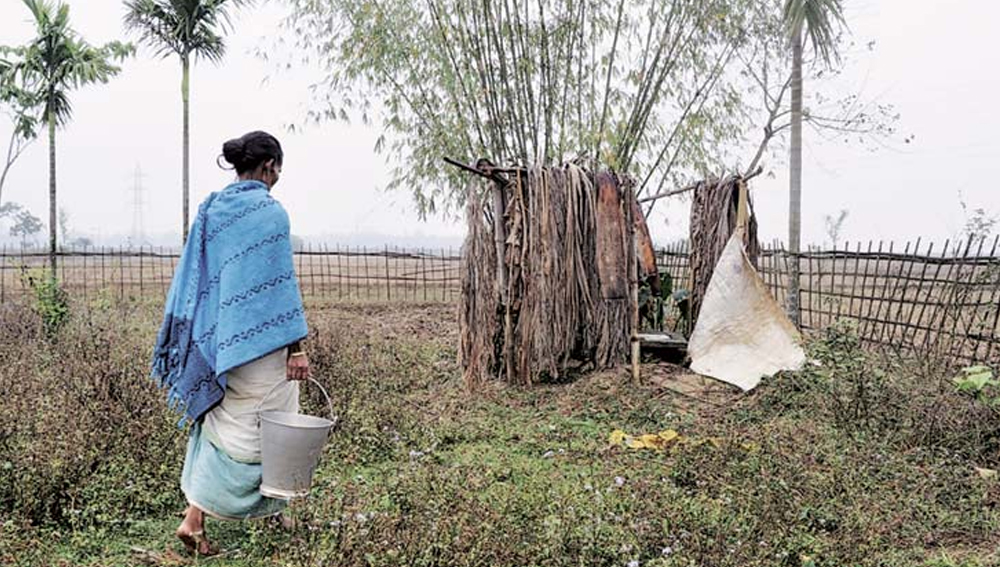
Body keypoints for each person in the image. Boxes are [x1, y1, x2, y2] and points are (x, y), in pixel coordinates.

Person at [151, 131, 311, 556]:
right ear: (270, 166)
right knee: (271, 428)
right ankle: (281, 514)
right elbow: (280, 289)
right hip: (263, 348)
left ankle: (201, 518)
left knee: (221, 426)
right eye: (279, 169)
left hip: (220, 345)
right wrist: (296, 348)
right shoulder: (271, 214)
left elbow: (202, 279)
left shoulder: (212, 211)